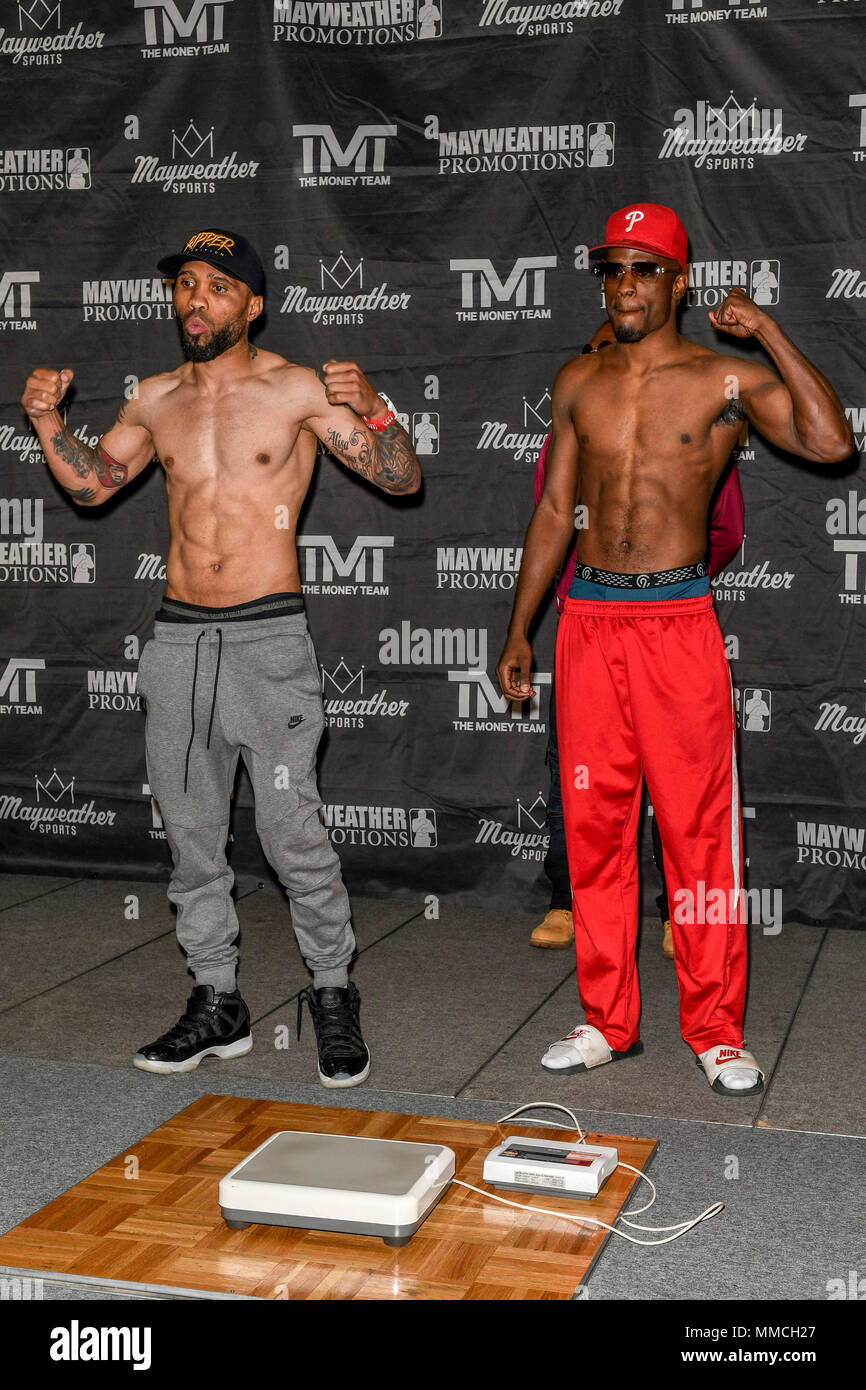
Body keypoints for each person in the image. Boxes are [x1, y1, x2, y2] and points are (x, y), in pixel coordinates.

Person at [21, 227, 421, 1088]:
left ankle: (332, 990)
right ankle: (217, 1002)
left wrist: (379, 406)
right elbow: (95, 485)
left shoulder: (296, 390)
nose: (193, 300)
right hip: (177, 644)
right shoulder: (155, 398)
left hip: (267, 640)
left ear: (252, 303)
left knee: (291, 834)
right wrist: (48, 422)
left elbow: (400, 479)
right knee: (193, 838)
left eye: (213, 286)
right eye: (184, 286)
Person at [497, 202, 851, 1096]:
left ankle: (716, 1029)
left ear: (680, 281)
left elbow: (831, 441)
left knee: (698, 836)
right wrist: (518, 628)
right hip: (588, 622)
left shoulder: (722, 380)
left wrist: (767, 329)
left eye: (645, 268)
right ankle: (606, 1020)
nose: (625, 284)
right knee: (596, 834)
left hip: (678, 621)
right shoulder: (578, 381)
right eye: (612, 269)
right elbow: (553, 512)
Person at [530, 327, 746, 954]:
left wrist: (665, 573)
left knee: (677, 789)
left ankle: (676, 913)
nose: (611, 369)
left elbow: (725, 526)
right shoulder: (572, 422)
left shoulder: (696, 420)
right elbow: (550, 513)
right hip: (584, 621)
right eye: (595, 356)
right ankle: (567, 901)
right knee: (573, 781)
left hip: (666, 615)